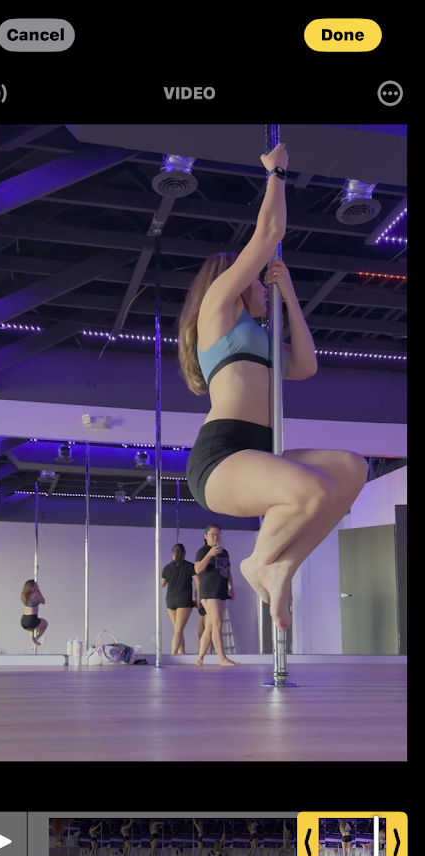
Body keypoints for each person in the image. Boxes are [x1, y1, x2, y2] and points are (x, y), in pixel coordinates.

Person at [180, 142, 369, 634]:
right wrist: (277, 173)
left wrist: (288, 294)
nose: (261, 283)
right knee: (313, 489)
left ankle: (281, 566)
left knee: (352, 469)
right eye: (258, 280)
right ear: (235, 279)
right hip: (221, 456)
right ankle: (258, 561)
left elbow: (305, 365)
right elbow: (269, 232)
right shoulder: (217, 311)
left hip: (259, 450)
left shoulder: (259, 338)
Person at [194, 525, 239, 667]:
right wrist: (209, 555)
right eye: (212, 534)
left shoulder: (224, 552)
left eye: (218, 534)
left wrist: (231, 588)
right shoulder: (202, 552)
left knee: (210, 626)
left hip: (221, 591)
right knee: (218, 623)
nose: (216, 537)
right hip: (209, 591)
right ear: (206, 536)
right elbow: (197, 569)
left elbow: (228, 571)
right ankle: (222, 658)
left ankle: (200, 658)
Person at [161, 543, 199, 654]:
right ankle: (172, 655)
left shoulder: (167, 568)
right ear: (184, 554)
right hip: (183, 600)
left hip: (170, 600)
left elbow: (162, 584)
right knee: (179, 630)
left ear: (172, 554)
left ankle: (182, 654)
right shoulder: (190, 566)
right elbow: (198, 581)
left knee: (177, 630)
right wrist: (198, 598)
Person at [20, 579, 48, 648]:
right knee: (45, 624)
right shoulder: (36, 594)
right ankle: (36, 638)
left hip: (24, 620)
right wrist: (38, 590)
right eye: (36, 585)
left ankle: (32, 638)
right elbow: (43, 601)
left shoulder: (25, 595)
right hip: (31, 619)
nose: (38, 586)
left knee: (31, 628)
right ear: (32, 587)